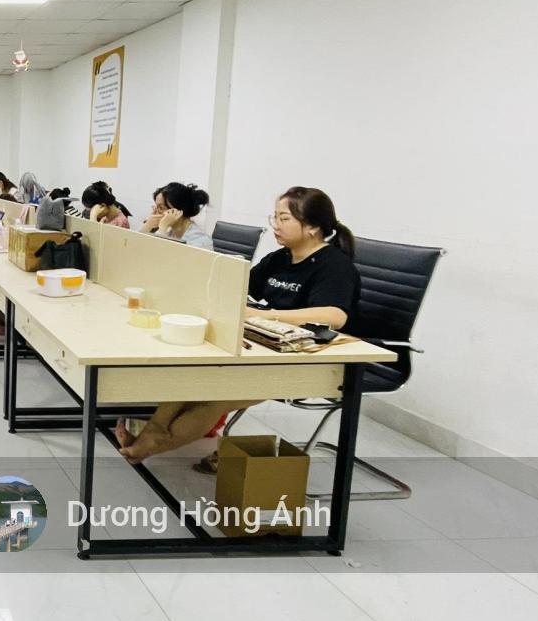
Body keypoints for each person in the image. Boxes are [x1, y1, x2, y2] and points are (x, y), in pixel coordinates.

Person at [115, 187, 359, 465]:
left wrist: (267, 316)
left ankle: (150, 443)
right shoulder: (281, 257)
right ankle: (155, 430)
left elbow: (334, 315)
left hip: (308, 361)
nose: (276, 225)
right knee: (194, 370)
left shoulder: (333, 265)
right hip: (267, 345)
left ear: (313, 226)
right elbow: (239, 286)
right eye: (275, 217)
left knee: (220, 392)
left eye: (284, 218)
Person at [139, 181, 214, 250]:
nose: (156, 212)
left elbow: (157, 254)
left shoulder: (201, 242)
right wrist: (147, 226)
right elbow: (139, 249)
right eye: (156, 207)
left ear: (179, 211)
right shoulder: (170, 231)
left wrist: (162, 229)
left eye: (161, 208)